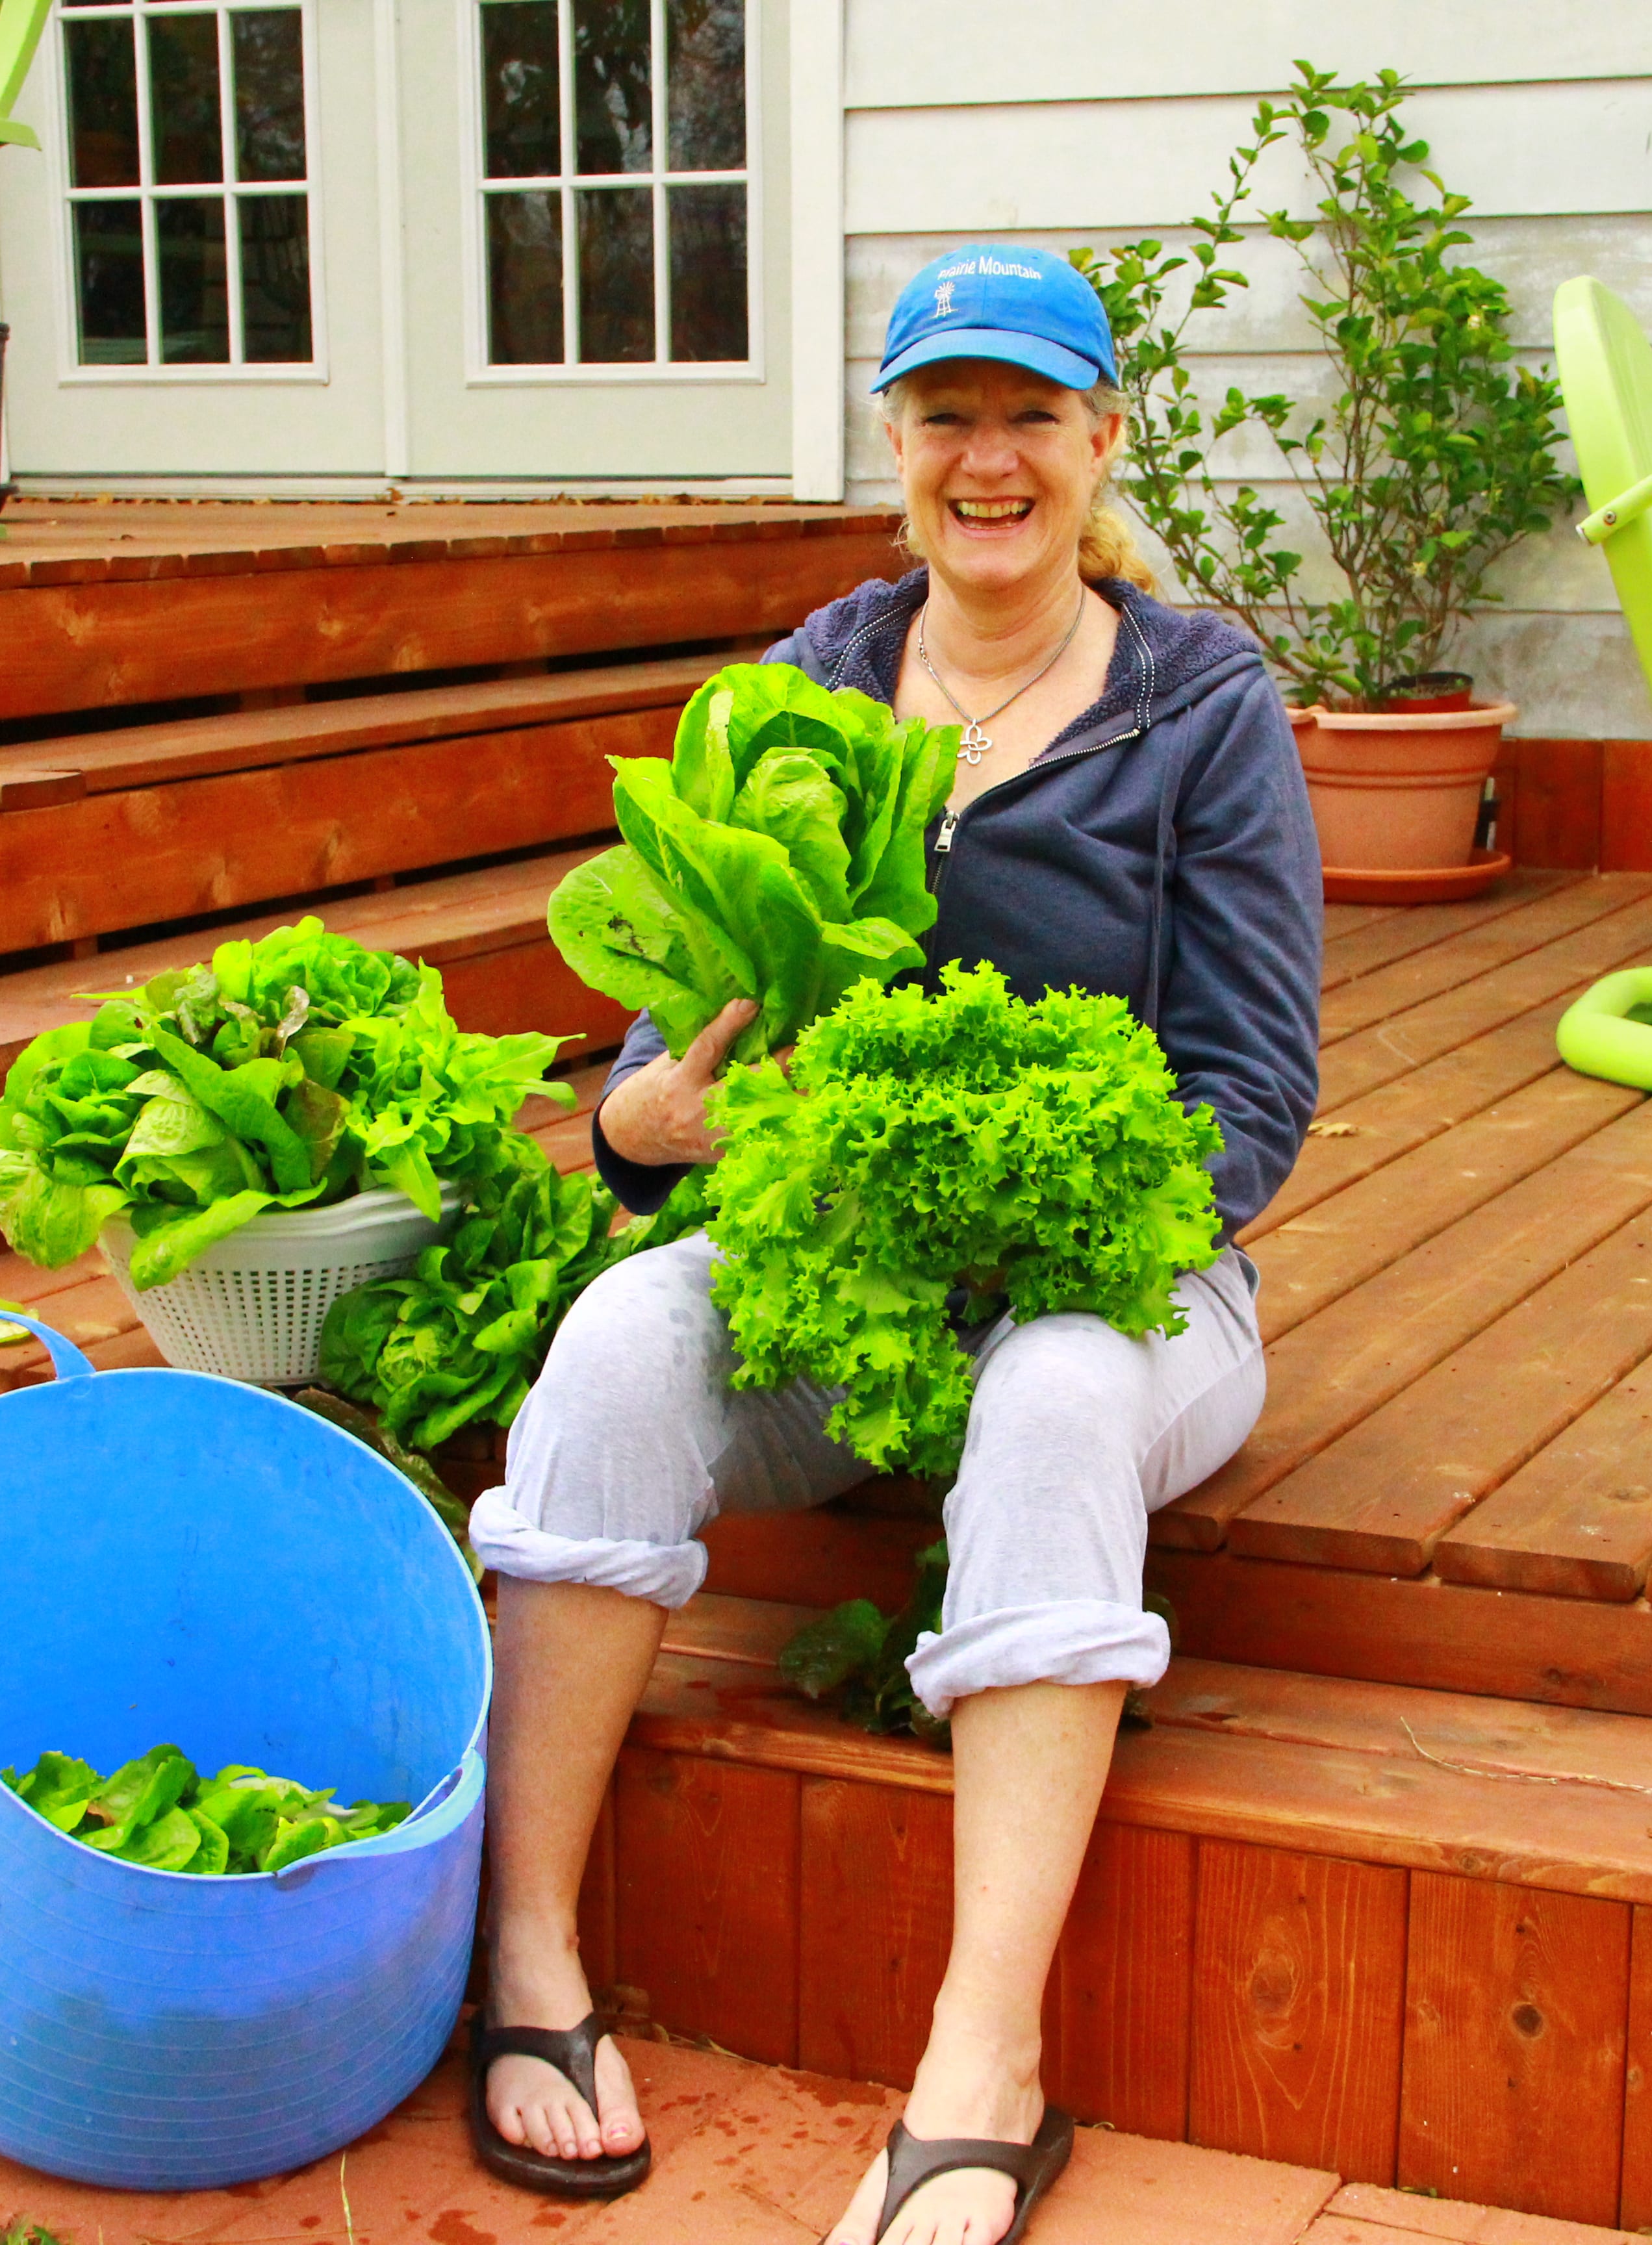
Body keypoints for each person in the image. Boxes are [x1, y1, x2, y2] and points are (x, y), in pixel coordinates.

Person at [461, 244, 1323, 2245]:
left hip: (1126, 1282)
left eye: (1032, 415)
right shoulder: (802, 691)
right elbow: (678, 1040)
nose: (989, 458)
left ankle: (982, 2065)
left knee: (1044, 1401)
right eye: (948, 416)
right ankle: (525, 1957)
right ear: (897, 449)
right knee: (607, 1345)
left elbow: (1252, 1097)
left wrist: (1026, 1213)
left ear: (1104, 443)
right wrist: (639, 1120)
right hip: (826, 1282)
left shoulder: (1201, 715)